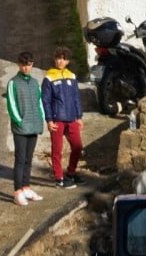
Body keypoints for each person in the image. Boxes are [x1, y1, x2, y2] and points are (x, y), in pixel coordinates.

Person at [6, 51, 45, 207]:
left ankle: (27, 187)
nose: (26, 68)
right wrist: (19, 120)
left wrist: (41, 117)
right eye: (23, 65)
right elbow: (11, 104)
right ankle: (17, 191)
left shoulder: (35, 82)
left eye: (29, 65)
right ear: (19, 65)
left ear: (32, 65)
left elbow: (39, 101)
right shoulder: (13, 82)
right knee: (20, 160)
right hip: (21, 127)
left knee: (29, 159)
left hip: (34, 126)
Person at [42, 46, 85, 190]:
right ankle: (59, 178)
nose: (60, 61)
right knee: (57, 150)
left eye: (63, 59)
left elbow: (76, 98)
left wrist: (79, 116)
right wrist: (49, 120)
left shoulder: (72, 76)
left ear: (67, 61)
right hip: (57, 119)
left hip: (72, 118)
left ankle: (71, 173)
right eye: (58, 58)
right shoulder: (48, 77)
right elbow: (46, 100)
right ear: (55, 59)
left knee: (78, 147)